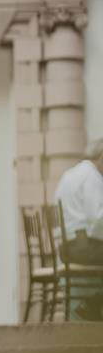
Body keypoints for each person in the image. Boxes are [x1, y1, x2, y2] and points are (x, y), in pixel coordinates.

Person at [54, 138, 103, 321]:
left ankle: (93, 304)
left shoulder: (68, 175)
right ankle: (93, 303)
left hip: (67, 248)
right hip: (82, 248)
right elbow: (98, 218)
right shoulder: (92, 177)